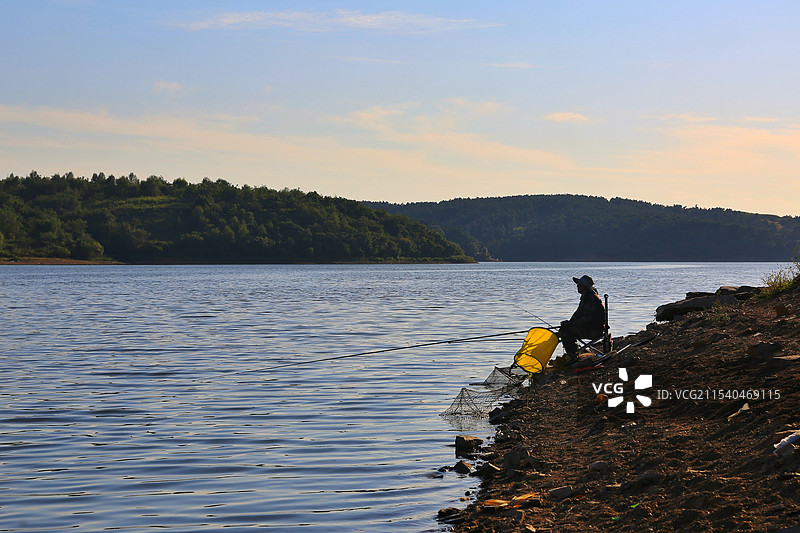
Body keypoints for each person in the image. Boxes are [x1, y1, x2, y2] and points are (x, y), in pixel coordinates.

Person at [558, 275, 605, 363]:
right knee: (565, 329)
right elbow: (579, 315)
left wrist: (571, 324)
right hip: (590, 327)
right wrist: (569, 323)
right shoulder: (586, 297)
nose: (577, 286)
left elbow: (587, 318)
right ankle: (576, 353)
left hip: (594, 330)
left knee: (565, 332)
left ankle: (573, 357)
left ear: (584, 286)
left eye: (579, 284)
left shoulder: (590, 298)